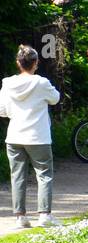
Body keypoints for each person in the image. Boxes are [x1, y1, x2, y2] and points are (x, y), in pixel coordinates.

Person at [2, 45, 60, 228]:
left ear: (18, 63)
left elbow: (2, 111)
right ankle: (44, 215)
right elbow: (56, 98)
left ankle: (20, 217)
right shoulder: (41, 83)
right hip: (38, 136)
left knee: (17, 176)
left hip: (14, 135)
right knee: (44, 175)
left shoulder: (7, 83)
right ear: (35, 63)